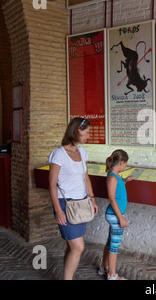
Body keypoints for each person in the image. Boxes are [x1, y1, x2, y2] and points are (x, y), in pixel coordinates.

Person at [48, 117, 98, 280]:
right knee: (78, 246)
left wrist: (92, 199)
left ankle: (66, 276)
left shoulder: (82, 152)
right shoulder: (59, 154)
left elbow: (86, 178)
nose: (88, 136)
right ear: (76, 131)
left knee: (72, 246)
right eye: (86, 132)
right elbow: (52, 184)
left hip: (81, 203)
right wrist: (58, 210)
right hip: (66, 204)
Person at [98, 149, 135, 280]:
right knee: (114, 246)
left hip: (114, 215)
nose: (125, 167)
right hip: (115, 216)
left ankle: (103, 267)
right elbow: (112, 199)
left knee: (109, 243)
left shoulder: (116, 176)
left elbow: (118, 188)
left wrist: (126, 181)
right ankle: (112, 275)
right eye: (125, 164)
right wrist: (121, 218)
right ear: (121, 163)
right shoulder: (112, 177)